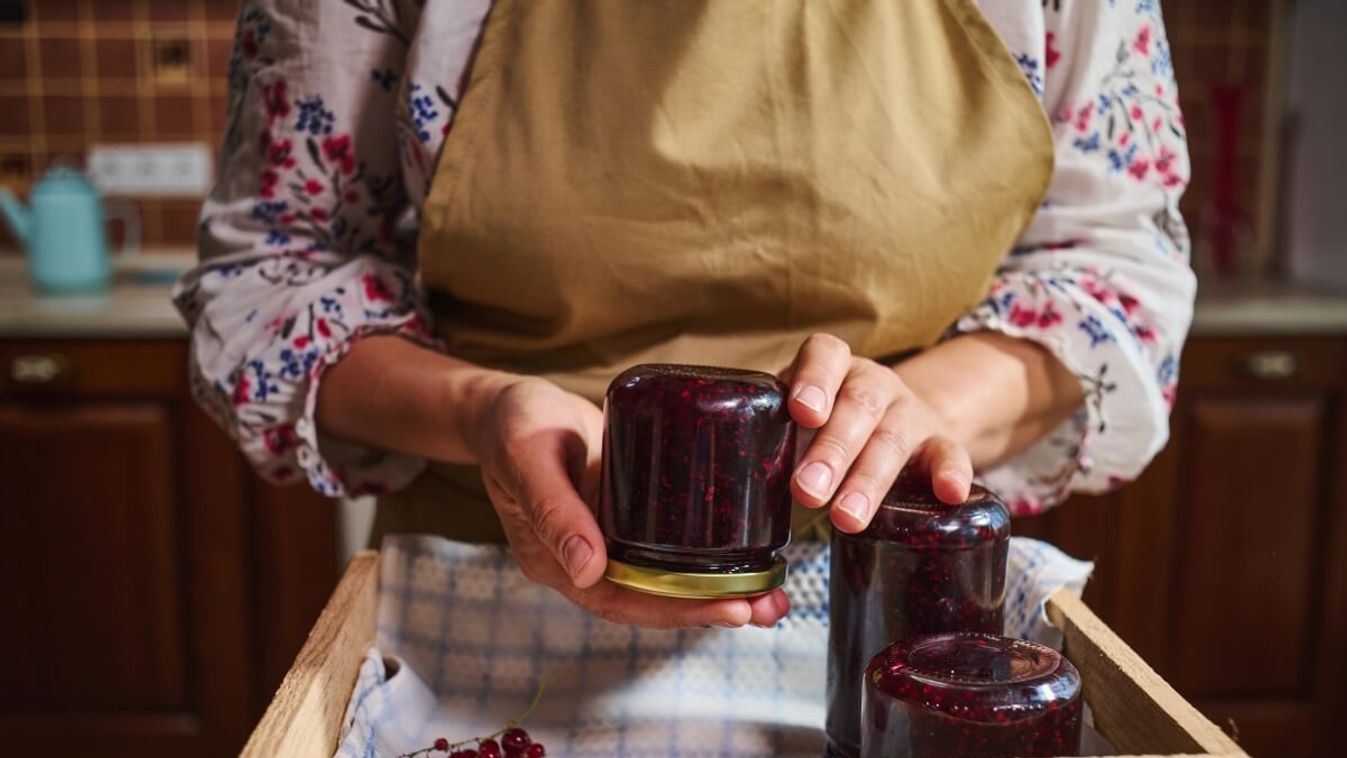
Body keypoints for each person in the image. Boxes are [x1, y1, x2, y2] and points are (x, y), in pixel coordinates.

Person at [175, 0, 1193, 632]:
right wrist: (485, 414)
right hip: (495, 579)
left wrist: (916, 407)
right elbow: (272, 276)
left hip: (894, 598)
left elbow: (1116, 271)